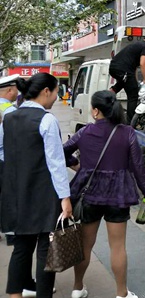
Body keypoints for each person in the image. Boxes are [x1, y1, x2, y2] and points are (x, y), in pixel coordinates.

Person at [63, 90, 145, 298]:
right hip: (118, 195)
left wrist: (75, 164)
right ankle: (122, 293)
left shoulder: (85, 132)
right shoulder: (127, 132)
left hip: (90, 193)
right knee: (118, 246)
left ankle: (77, 288)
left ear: (96, 111)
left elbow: (62, 151)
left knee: (85, 245)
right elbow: (137, 165)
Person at [1, 73, 72, 298]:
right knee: (45, 251)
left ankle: (14, 296)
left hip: (16, 193)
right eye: (56, 91)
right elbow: (56, 163)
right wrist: (65, 198)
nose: (56, 97)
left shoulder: (9, 118)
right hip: (43, 195)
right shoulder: (47, 120)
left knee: (21, 248)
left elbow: (5, 153)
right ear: (46, 91)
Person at [109, 32, 145, 122]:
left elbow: (134, 68)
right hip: (123, 69)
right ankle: (131, 122)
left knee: (125, 83)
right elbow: (143, 63)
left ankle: (109, 93)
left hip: (115, 67)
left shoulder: (138, 45)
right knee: (133, 95)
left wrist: (135, 82)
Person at [0, 74, 20, 246]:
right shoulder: (11, 111)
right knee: (9, 197)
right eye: (15, 90)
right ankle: (11, 234)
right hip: (5, 160)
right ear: (9, 90)